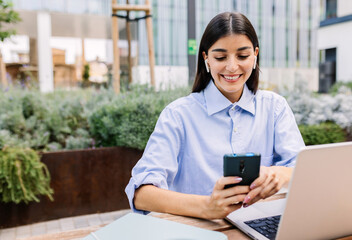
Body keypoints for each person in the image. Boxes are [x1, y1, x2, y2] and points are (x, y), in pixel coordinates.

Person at [125, 12, 305, 220]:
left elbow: (304, 169)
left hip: (261, 226)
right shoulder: (178, 115)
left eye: (242, 56)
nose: (231, 66)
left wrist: (278, 175)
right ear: (206, 58)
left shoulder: (275, 108)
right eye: (220, 57)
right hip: (199, 232)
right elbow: (141, 194)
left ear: (255, 55)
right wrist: (206, 206)